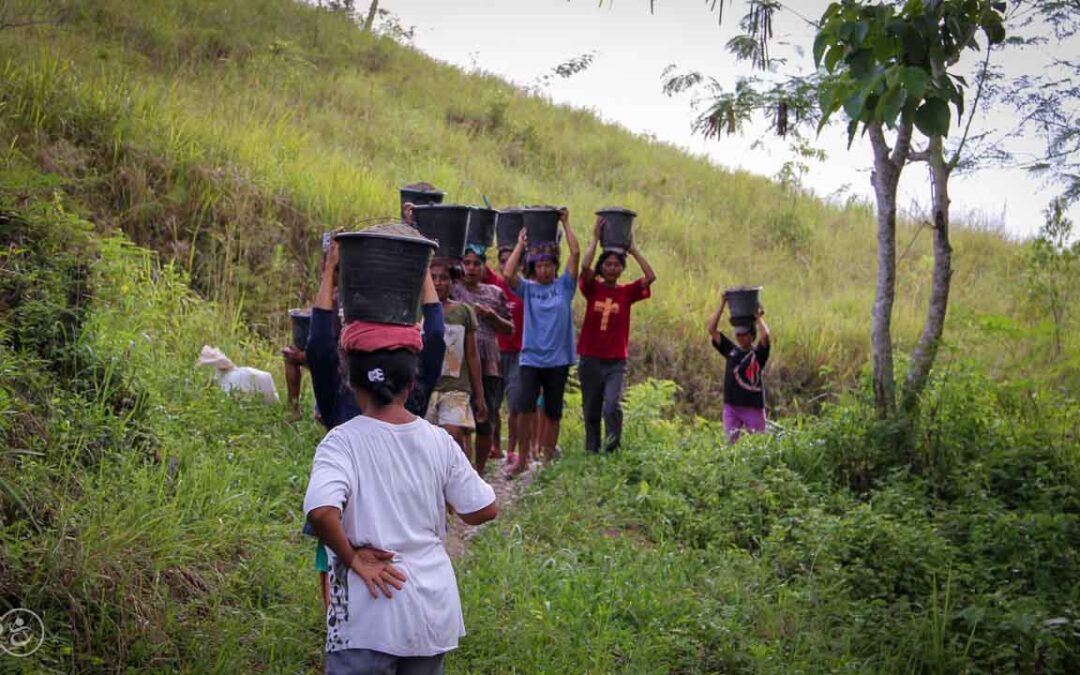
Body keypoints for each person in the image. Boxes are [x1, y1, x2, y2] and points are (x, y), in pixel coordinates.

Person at [303, 325, 497, 674]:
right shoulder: (439, 441)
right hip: (430, 608)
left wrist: (351, 557)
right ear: (410, 387)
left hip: (367, 614)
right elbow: (484, 509)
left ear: (353, 383)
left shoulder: (341, 442)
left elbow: (321, 513)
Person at [304, 237, 446, 608]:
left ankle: (334, 630)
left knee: (343, 601)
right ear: (411, 376)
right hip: (407, 535)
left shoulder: (339, 406)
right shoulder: (412, 403)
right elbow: (437, 338)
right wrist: (423, 273)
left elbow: (317, 344)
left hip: (346, 532)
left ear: (350, 373)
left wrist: (330, 273)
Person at [501, 208, 580, 475]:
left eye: (548, 266)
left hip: (557, 360)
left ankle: (546, 461)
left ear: (555, 267)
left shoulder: (565, 286)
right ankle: (523, 459)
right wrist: (521, 246)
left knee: (553, 412)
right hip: (531, 358)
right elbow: (508, 275)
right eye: (540, 266)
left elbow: (576, 255)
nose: (544, 270)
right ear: (534, 268)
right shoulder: (529, 289)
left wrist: (566, 224)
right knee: (524, 409)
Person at [577, 217, 657, 454]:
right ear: (602, 267)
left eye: (617, 265)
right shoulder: (592, 288)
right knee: (591, 409)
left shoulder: (627, 292)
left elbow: (651, 277)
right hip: (590, 358)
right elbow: (584, 268)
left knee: (611, 405)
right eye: (608, 264)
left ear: (622, 268)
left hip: (615, 361)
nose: (612, 268)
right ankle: (592, 452)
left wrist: (633, 250)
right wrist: (594, 239)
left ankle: (613, 449)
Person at [454, 246, 513, 475]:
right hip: (457, 363)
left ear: (483, 267)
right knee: (458, 419)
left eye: (476, 264)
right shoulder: (454, 290)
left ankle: (478, 471)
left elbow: (509, 328)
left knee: (485, 417)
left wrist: (491, 316)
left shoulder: (494, 293)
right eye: (466, 263)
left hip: (488, 364)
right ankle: (463, 470)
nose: (470, 268)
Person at [427, 259, 487, 461]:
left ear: (452, 282)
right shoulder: (418, 311)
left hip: (456, 388)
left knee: (454, 436)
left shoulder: (463, 312)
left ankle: (463, 486)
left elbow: (472, 355)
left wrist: (479, 396)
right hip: (425, 388)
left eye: (443, 278)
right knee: (426, 443)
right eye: (433, 278)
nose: (438, 283)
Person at [706, 298, 771, 443]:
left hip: (753, 407)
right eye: (738, 334)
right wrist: (722, 303)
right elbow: (711, 329)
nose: (740, 337)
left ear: (751, 335)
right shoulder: (731, 351)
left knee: (759, 444)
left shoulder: (758, 354)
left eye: (743, 334)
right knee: (730, 444)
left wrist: (758, 318)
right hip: (731, 407)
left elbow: (765, 335)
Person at [485, 247, 526, 467]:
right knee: (493, 403)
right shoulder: (495, 285)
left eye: (511, 261)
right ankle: (494, 446)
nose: (506, 265)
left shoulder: (524, 289)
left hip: (519, 353)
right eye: (502, 261)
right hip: (496, 352)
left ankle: (512, 450)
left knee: (515, 403)